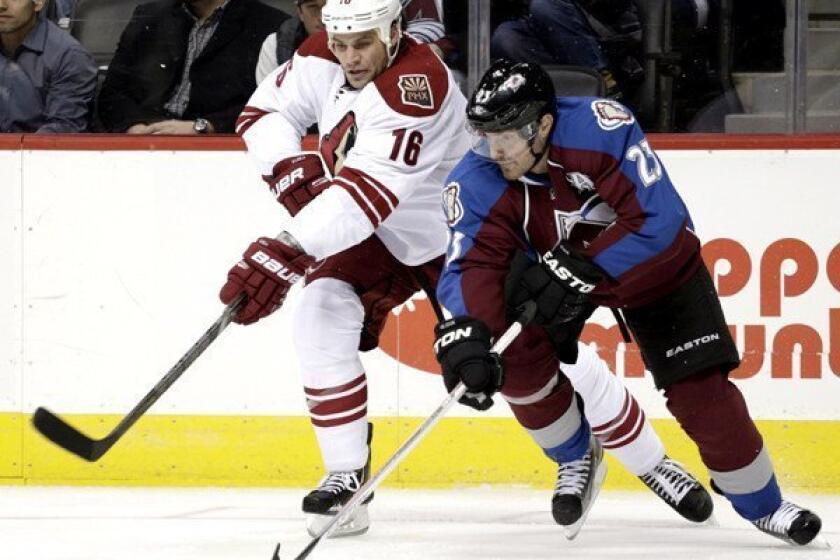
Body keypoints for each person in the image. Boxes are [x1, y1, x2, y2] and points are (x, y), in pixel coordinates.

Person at [220, 0, 707, 540]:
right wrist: (290, 169)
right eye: (340, 41)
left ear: (393, 31)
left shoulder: (417, 84)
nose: (351, 56)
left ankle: (648, 460)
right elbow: (262, 114)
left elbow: (363, 199)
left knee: (535, 352)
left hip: (460, 236)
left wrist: (288, 247)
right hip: (381, 233)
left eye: (363, 43)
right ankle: (346, 477)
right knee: (320, 309)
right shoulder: (323, 56)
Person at [436, 58, 823, 546]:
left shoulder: (599, 128)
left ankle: (764, 505)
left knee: (701, 394)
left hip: (650, 266)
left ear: (544, 125)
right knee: (507, 352)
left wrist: (584, 265)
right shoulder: (475, 179)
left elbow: (659, 221)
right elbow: (472, 265)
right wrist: (470, 332)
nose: (494, 151)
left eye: (506, 137)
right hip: (559, 273)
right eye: (485, 136)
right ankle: (577, 454)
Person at [97, 0, 288, 134]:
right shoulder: (148, 16)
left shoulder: (269, 25)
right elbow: (113, 91)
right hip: (143, 140)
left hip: (220, 149)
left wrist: (206, 127)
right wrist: (133, 125)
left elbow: (269, 105)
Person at [254, 0, 451, 84]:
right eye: (313, 7)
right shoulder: (278, 45)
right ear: (299, 11)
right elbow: (269, 113)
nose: (323, 17)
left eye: (362, 44)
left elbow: (430, 31)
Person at [0, 0, 96, 132]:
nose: (1, 5)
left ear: (38, 3)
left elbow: (62, 128)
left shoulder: (69, 56)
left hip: (34, 149)